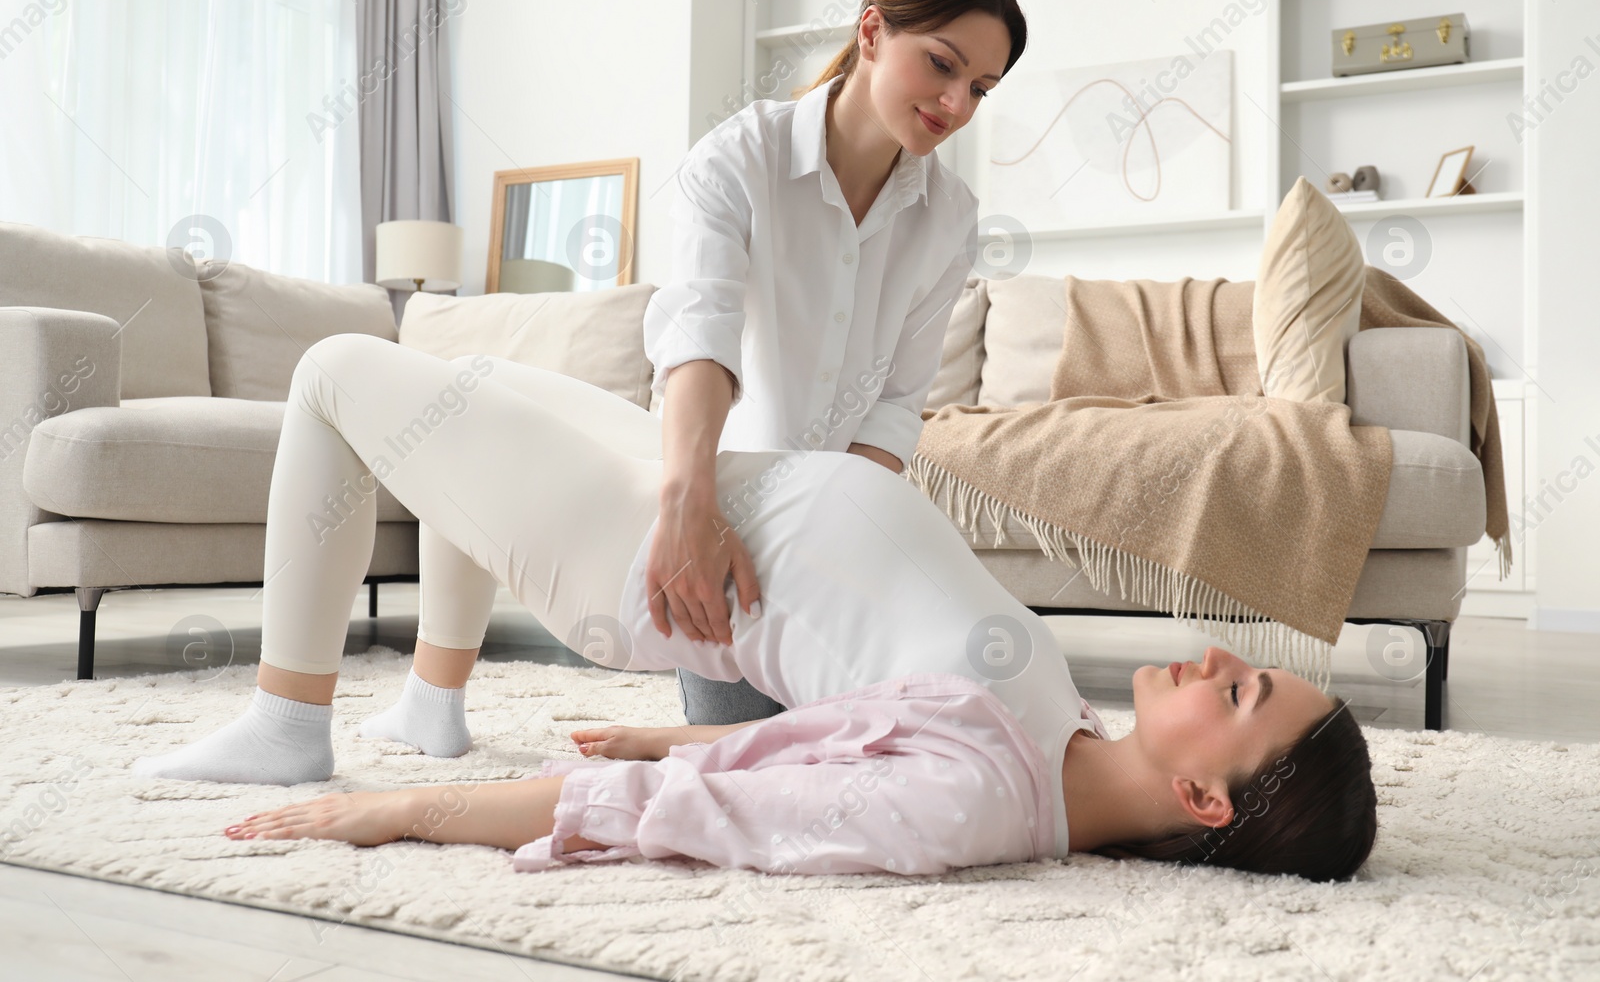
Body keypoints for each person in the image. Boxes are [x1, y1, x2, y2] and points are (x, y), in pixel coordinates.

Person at [129, 331, 1377, 882]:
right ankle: (431, 701)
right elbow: (830, 729)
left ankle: (292, 718)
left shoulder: (974, 803)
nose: (1218, 655)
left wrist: (403, 815)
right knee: (463, 384)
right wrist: (678, 731)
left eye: (1241, 689)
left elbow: (702, 813)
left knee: (335, 372)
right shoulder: (1049, 742)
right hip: (700, 494)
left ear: (1206, 797)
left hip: (646, 558)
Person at [643, 0, 1023, 730]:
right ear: (874, 31)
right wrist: (688, 501)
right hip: (728, 517)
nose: (955, 104)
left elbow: (894, 404)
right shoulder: (736, 161)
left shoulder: (949, 219)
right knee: (743, 751)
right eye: (942, 65)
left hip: (848, 530)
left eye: (978, 88)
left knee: (939, 725)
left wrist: (837, 547)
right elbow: (698, 336)